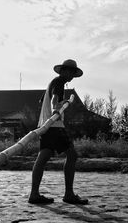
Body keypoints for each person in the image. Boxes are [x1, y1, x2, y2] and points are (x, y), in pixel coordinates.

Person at [28, 59, 89, 205]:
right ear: (62, 71)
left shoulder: (53, 83)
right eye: (69, 71)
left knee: (44, 156)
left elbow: (42, 101)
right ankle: (68, 194)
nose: (71, 75)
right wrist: (56, 106)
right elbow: (54, 99)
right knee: (72, 155)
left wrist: (62, 102)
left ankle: (34, 194)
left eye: (73, 73)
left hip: (46, 125)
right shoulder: (59, 82)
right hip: (54, 125)